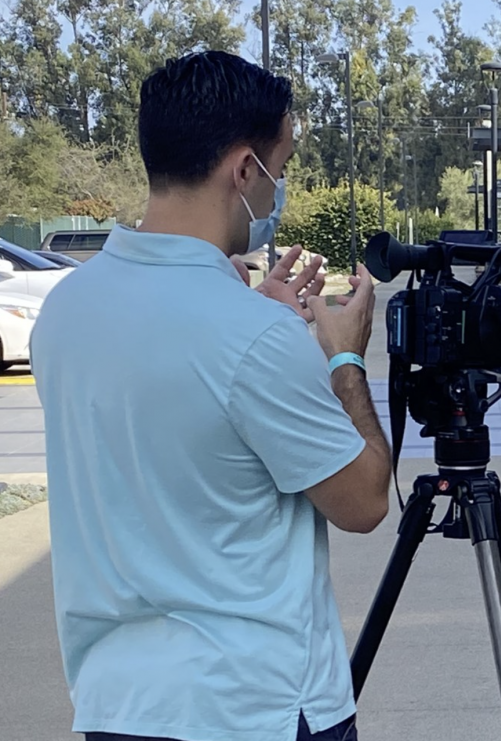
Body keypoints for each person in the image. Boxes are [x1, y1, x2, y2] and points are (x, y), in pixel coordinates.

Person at [30, 51, 392, 741]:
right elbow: (366, 500)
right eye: (279, 172)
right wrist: (344, 356)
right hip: (253, 707)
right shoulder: (253, 336)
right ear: (245, 169)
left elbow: (173, 427)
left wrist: (255, 316)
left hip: (119, 704)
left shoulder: (65, 312)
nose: (277, 192)